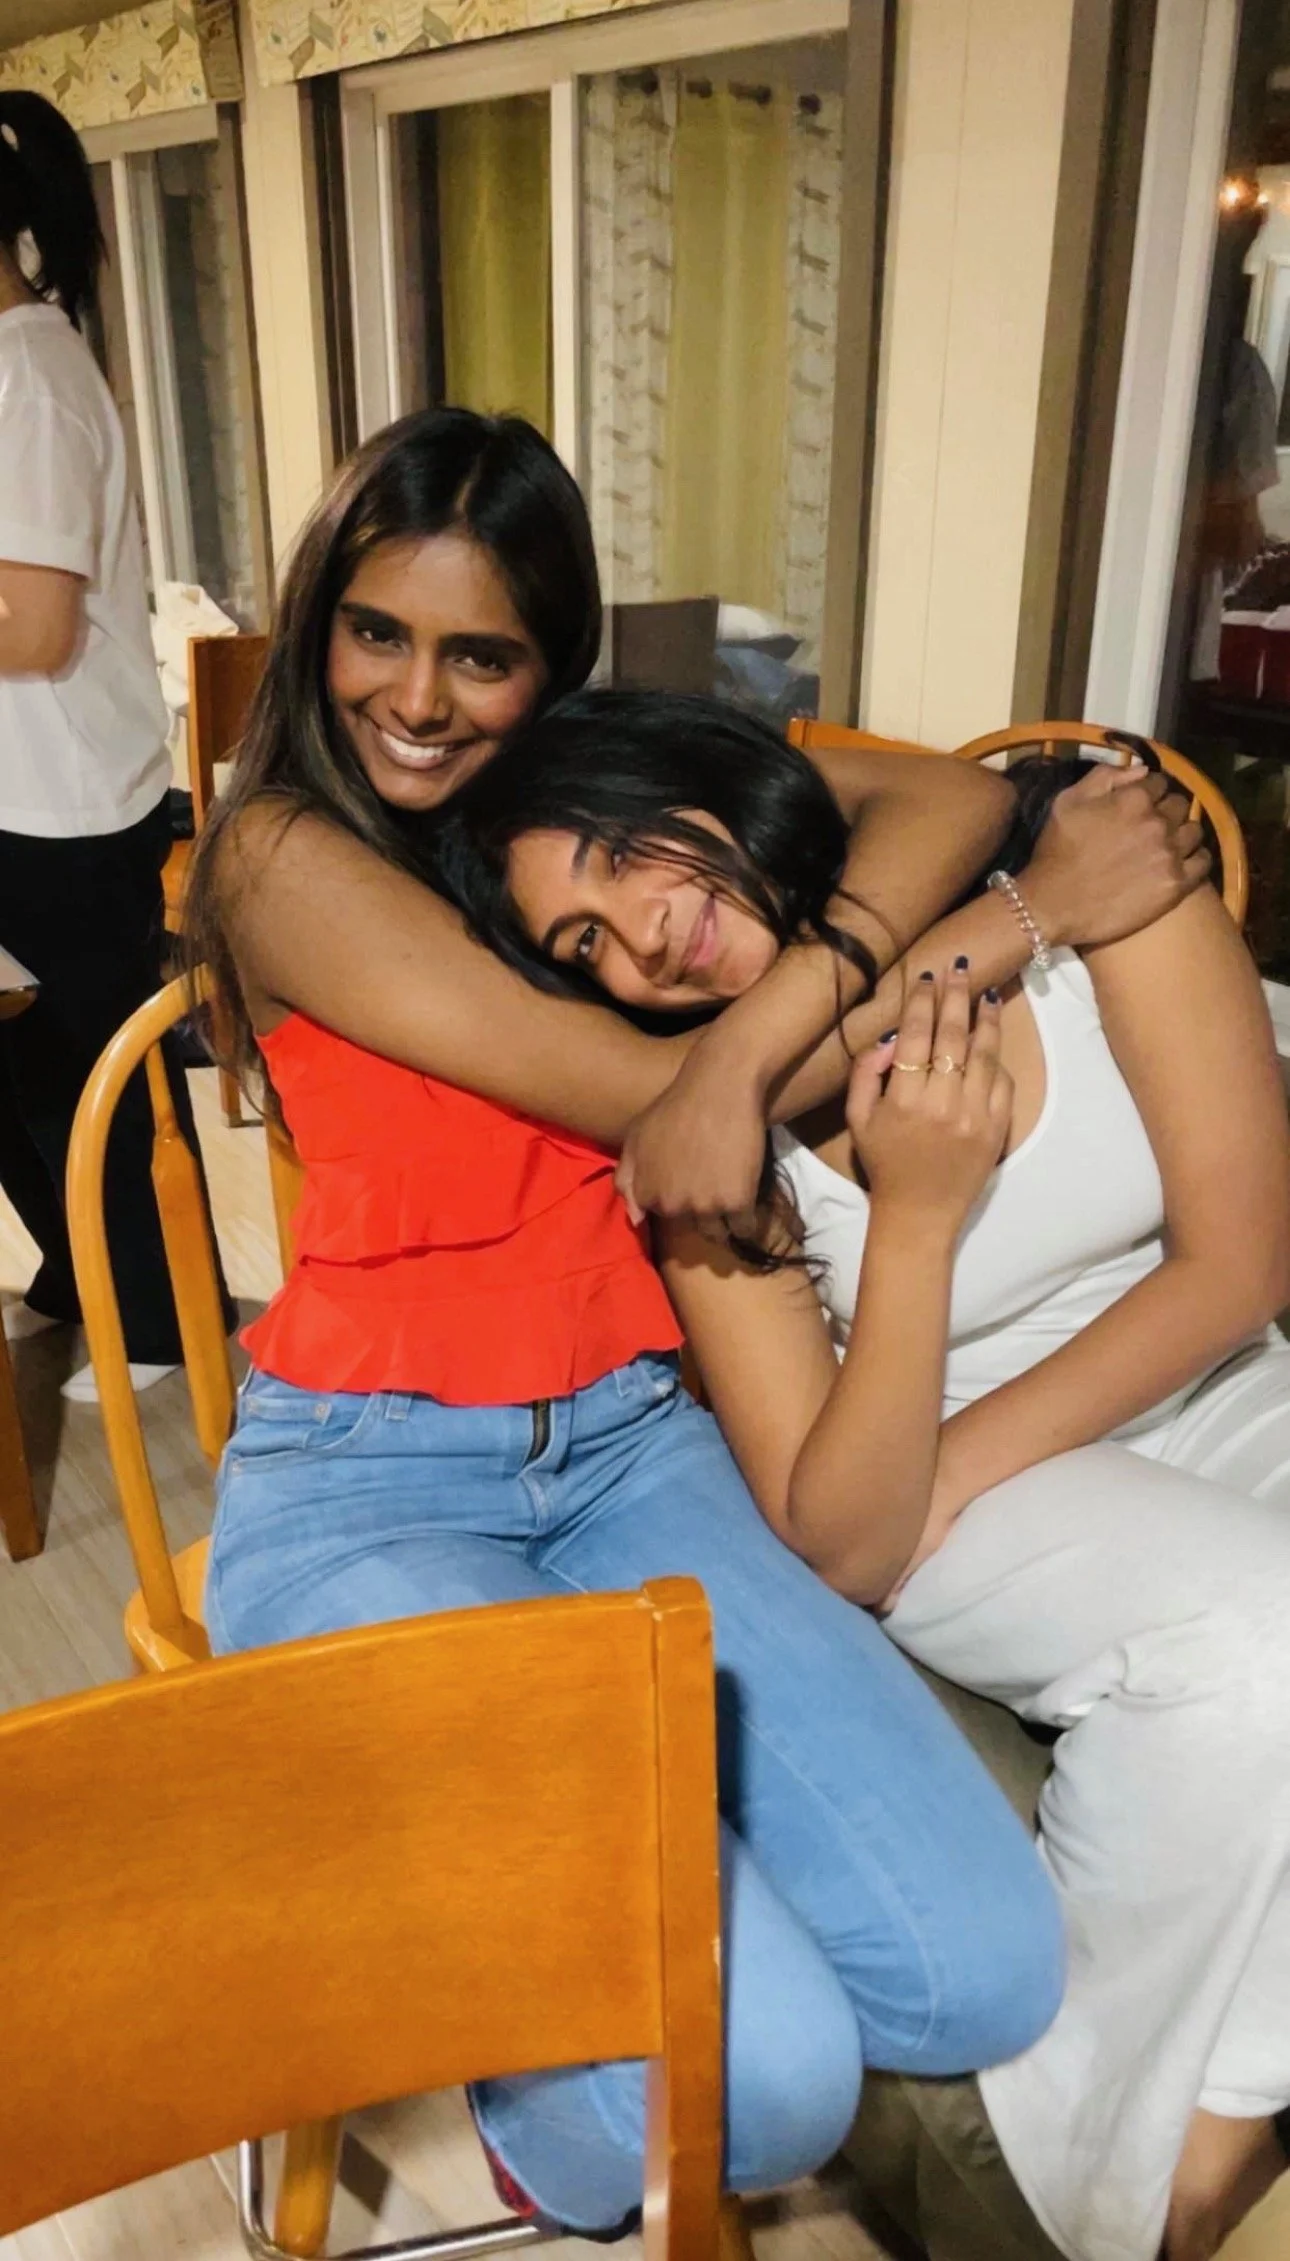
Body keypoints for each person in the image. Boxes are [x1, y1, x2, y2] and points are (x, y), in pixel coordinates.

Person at [183, 408, 1204, 2237]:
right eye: (375, 632)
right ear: (319, 620)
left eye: (479, 654)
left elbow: (952, 797)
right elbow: (636, 1100)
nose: (414, 698)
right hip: (371, 1482)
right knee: (773, 2078)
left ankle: (612, 1883)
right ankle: (524, 2076)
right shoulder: (274, 852)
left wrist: (746, 1046)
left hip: (640, 1448)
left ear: (551, 661)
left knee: (982, 1974)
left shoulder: (581, 801)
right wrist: (1021, 920)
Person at [442, 686, 1290, 2261]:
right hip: (951, 1470)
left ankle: (1227, 2103)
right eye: (583, 944)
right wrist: (913, 1219)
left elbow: (1236, 1266)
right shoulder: (703, 1139)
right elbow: (841, 1534)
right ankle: (1107, 2181)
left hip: (1152, 1388)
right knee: (1258, 1637)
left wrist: (951, 1470)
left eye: (625, 855)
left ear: (703, 780)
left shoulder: (1096, 888)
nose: (641, 941)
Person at [0, 89, 233, 1401]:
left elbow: (34, 629)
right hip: (31, 789)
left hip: (70, 802)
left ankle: (156, 1324)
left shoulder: (32, 378)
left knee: (88, 1069)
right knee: (28, 1066)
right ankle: (76, 1265)